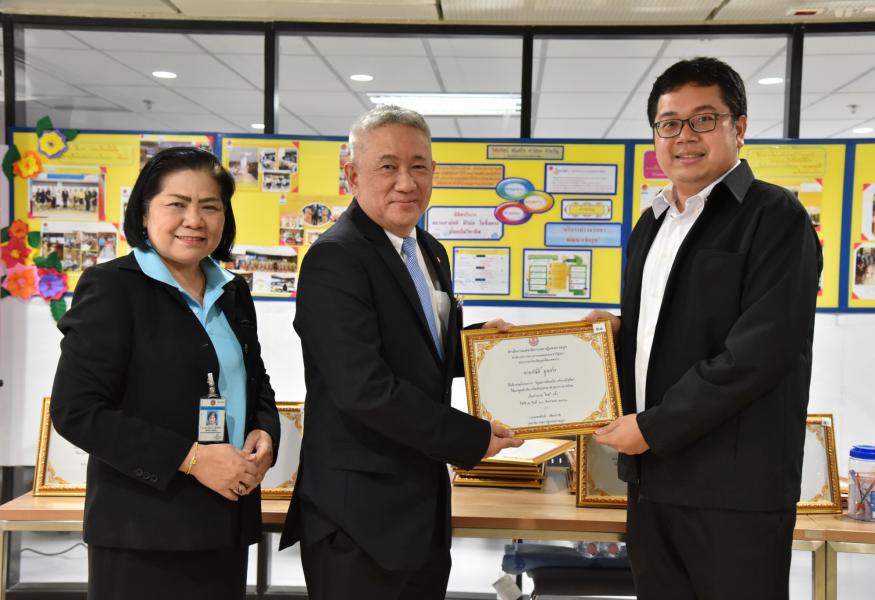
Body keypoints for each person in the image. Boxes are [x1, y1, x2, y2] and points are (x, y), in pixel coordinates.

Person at [584, 57, 822, 600]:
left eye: (704, 119)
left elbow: (758, 354)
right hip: (653, 480)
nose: (684, 136)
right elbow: (676, 330)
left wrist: (654, 426)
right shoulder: (652, 223)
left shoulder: (775, 217)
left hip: (733, 492)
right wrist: (617, 336)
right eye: (669, 123)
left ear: (739, 127)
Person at [279, 105, 522, 599]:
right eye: (388, 166)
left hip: (421, 510)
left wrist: (478, 345)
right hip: (358, 520)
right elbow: (364, 388)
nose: (406, 182)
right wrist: (472, 437)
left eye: (419, 166)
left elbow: (416, 348)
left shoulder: (428, 250)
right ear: (353, 175)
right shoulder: (335, 258)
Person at [50, 147, 281, 600]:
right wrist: (192, 459)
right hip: (144, 529)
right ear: (144, 211)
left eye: (210, 206)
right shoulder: (113, 287)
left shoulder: (232, 291)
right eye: (177, 204)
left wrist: (265, 431)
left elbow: (255, 378)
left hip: (225, 518)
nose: (194, 220)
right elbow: (76, 411)